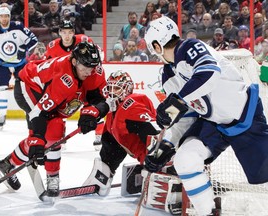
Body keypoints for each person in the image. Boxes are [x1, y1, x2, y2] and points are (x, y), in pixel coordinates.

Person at [144, 16, 268, 215]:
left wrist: (176, 102)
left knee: (264, 177)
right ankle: (208, 212)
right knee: (185, 159)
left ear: (156, 46)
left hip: (246, 117)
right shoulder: (168, 75)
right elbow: (186, 116)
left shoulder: (189, 47)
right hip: (213, 124)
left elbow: (209, 73)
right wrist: (166, 145)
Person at [0, 41, 109, 198]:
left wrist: (92, 112)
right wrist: (38, 139)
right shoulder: (63, 79)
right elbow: (39, 113)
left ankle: (7, 164)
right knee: (52, 131)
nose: (89, 71)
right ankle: (51, 176)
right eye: (85, 67)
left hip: (49, 89)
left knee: (52, 133)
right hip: (29, 87)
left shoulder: (94, 70)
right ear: (74, 61)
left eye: (93, 66)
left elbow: (99, 98)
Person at [82, 71, 179, 207]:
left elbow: (153, 129)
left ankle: (173, 170)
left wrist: (160, 156)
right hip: (145, 159)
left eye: (116, 88)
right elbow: (111, 141)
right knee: (110, 140)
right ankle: (105, 173)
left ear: (127, 89)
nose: (112, 93)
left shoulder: (132, 103)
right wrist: (107, 167)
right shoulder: (114, 110)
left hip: (159, 161)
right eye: (109, 88)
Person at [45, 19, 103, 150]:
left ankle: (99, 136)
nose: (66, 35)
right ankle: (60, 136)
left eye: (69, 32)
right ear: (59, 32)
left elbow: (98, 56)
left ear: (73, 33)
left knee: (92, 105)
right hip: (66, 83)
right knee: (60, 108)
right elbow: (48, 67)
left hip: (85, 80)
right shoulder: (52, 47)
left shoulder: (83, 40)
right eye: (64, 32)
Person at [0, 6, 38, 130]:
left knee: (24, 91)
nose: (4, 19)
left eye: (6, 16)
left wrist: (24, 49)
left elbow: (34, 40)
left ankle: (28, 114)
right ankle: (1, 116)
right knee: (1, 90)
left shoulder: (18, 26)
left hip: (20, 64)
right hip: (3, 64)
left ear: (9, 17)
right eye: (1, 16)